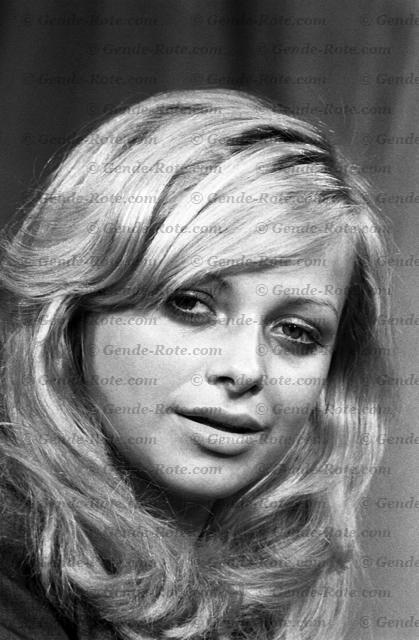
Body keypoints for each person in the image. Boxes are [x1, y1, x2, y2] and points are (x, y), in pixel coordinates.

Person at [0, 89, 394, 640]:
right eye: (190, 304)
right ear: (74, 314)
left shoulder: (242, 598)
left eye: (295, 331)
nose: (245, 368)